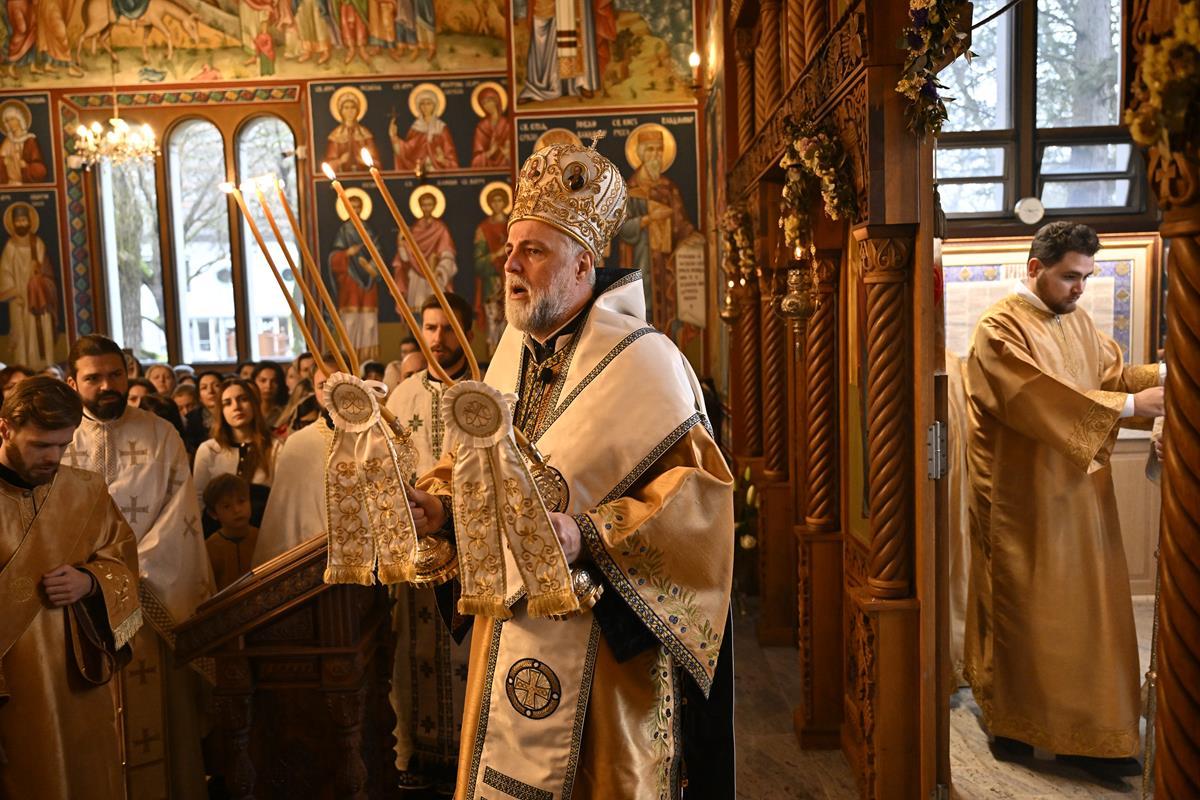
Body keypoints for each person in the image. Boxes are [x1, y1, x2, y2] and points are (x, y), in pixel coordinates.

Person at [406, 140, 735, 798]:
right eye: (510, 248)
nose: (509, 264)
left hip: (605, 662)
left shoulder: (649, 362)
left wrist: (588, 533)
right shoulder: (512, 354)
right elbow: (472, 469)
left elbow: (699, 505)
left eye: (532, 250)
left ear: (583, 262)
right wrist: (442, 509)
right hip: (510, 637)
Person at [963, 222, 1166, 779]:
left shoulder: (1074, 319)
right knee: (1031, 612)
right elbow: (1033, 397)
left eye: (1086, 278)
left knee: (1089, 613)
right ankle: (1017, 726)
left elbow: (1110, 376)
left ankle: (1089, 730)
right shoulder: (999, 328)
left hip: (1082, 491)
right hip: (1023, 499)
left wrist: (1167, 374)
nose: (1080, 289)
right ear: (1035, 268)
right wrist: (1133, 407)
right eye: (1070, 277)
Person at [65, 334, 213, 800]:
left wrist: (119, 579)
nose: (107, 385)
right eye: (94, 378)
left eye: (115, 374)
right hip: (73, 607)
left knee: (159, 720)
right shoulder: (59, 438)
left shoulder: (161, 434)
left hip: (149, 600)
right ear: (72, 383)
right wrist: (85, 581)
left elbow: (179, 518)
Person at [0, 377, 141, 800]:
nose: (53, 457)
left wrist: (91, 581)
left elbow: (122, 559)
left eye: (63, 445)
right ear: (5, 429)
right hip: (12, 688)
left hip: (78, 680)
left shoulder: (85, 490)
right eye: (40, 445)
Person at [384, 292, 473, 787]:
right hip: (413, 554)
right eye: (430, 328)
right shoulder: (402, 397)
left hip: (472, 554)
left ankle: (471, 758)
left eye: (448, 328)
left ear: (469, 330)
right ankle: (417, 756)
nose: (438, 339)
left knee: (472, 656)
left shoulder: (488, 391)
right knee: (413, 656)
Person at [617, 126, 702, 337]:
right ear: (641, 154)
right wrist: (648, 219)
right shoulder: (630, 190)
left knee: (666, 307)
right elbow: (622, 228)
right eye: (650, 149)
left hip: (665, 262)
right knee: (644, 303)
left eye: (659, 150)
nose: (655, 155)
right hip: (640, 258)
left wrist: (691, 236)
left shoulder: (669, 188)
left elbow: (682, 224)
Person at [252, 365, 332, 565]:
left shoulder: (376, 436)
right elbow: (284, 514)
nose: (331, 390)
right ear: (315, 391)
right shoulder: (299, 443)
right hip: (315, 556)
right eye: (322, 385)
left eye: (337, 381)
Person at [193, 378, 281, 533]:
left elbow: (282, 497)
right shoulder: (209, 449)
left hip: (265, 531)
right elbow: (198, 501)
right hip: (218, 535)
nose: (237, 407)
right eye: (227, 403)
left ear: (254, 405)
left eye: (243, 399)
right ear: (221, 411)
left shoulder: (274, 447)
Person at [0, 201, 57, 367]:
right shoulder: (10, 247)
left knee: (41, 334)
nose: (21, 223)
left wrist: (39, 272)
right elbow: (5, 273)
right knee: (21, 336)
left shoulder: (37, 244)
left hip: (38, 299)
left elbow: (46, 270)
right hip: (18, 299)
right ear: (12, 223)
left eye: (24, 220)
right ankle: (23, 372)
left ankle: (45, 369)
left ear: (30, 221)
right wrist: (14, 292)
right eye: (18, 221)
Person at [328, 193, 384, 359]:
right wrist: (347, 253)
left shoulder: (369, 230)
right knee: (351, 321)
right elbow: (333, 258)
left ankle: (368, 360)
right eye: (351, 207)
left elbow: (378, 254)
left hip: (368, 280)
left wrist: (371, 267)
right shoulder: (344, 231)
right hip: (350, 280)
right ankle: (349, 358)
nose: (355, 210)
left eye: (358, 207)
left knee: (369, 322)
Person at [392, 187, 456, 308]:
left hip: (435, 276)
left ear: (434, 206)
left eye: (429, 205)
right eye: (424, 205)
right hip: (416, 278)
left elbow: (448, 254)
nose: (427, 208)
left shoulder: (441, 228)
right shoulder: (414, 229)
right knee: (417, 309)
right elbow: (406, 259)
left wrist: (439, 270)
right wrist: (401, 244)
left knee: (436, 307)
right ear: (420, 207)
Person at [202, 473, 259, 592]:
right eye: (227, 506)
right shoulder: (210, 548)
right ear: (213, 513)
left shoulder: (261, 537)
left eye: (241, 501)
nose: (237, 510)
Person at [472, 184, 511, 354]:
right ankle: (493, 354)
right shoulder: (483, 229)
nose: (497, 204)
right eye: (493, 201)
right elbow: (479, 263)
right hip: (492, 283)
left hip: (512, 280)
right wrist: (496, 254)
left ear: (505, 202)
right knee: (494, 321)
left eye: (500, 200)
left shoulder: (513, 225)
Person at [390, 88, 458, 172]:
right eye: (422, 104)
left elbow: (451, 156)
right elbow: (406, 151)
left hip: (438, 171)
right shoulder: (416, 127)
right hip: (419, 170)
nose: (425, 107)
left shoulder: (441, 128)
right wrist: (394, 137)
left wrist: (443, 160)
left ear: (434, 106)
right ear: (419, 106)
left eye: (429, 103)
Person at [324, 90, 381, 173]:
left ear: (357, 110)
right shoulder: (335, 135)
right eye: (346, 108)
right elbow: (328, 166)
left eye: (353, 107)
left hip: (364, 175)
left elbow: (377, 164)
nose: (349, 111)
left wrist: (364, 161)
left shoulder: (365, 134)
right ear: (341, 111)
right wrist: (340, 161)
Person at [0, 99, 48, 184]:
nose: (10, 123)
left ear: (19, 119)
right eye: (7, 121)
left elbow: (41, 169)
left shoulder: (30, 141)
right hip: (10, 183)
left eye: (12, 119)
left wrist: (26, 166)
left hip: (25, 183)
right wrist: (4, 161)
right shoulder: (7, 142)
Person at [469, 86, 512, 168]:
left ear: (496, 101)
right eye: (483, 103)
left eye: (489, 101)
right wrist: (490, 152)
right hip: (487, 166)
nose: (487, 105)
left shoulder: (507, 124)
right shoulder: (481, 127)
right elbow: (476, 161)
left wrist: (508, 153)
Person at [252, 361, 289, 428]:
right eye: (263, 380)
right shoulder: (249, 410)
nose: (268, 386)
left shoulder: (286, 412)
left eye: (274, 381)